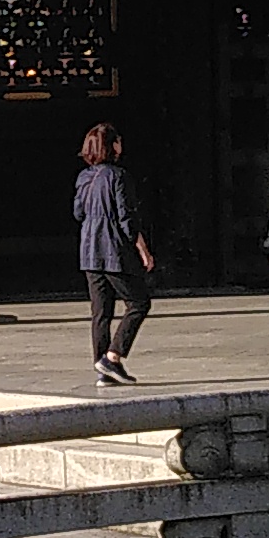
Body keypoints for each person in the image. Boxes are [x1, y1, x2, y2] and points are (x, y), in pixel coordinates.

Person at [74, 124, 155, 384]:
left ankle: (102, 370)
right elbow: (126, 217)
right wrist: (142, 248)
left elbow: (78, 213)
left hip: (89, 251)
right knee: (139, 303)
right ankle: (113, 356)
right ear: (112, 146)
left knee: (100, 312)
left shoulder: (84, 177)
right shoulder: (119, 176)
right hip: (113, 250)